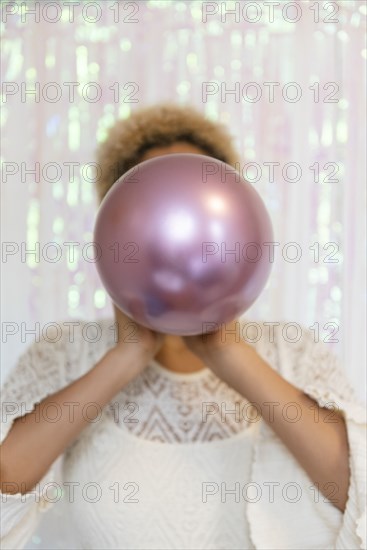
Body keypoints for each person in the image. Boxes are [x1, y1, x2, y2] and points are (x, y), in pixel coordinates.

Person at [0, 104, 365, 550]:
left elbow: (356, 496)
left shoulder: (291, 351)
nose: (178, 236)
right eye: (155, 208)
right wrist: (126, 356)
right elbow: (5, 483)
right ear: (116, 228)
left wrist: (226, 352)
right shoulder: (65, 351)